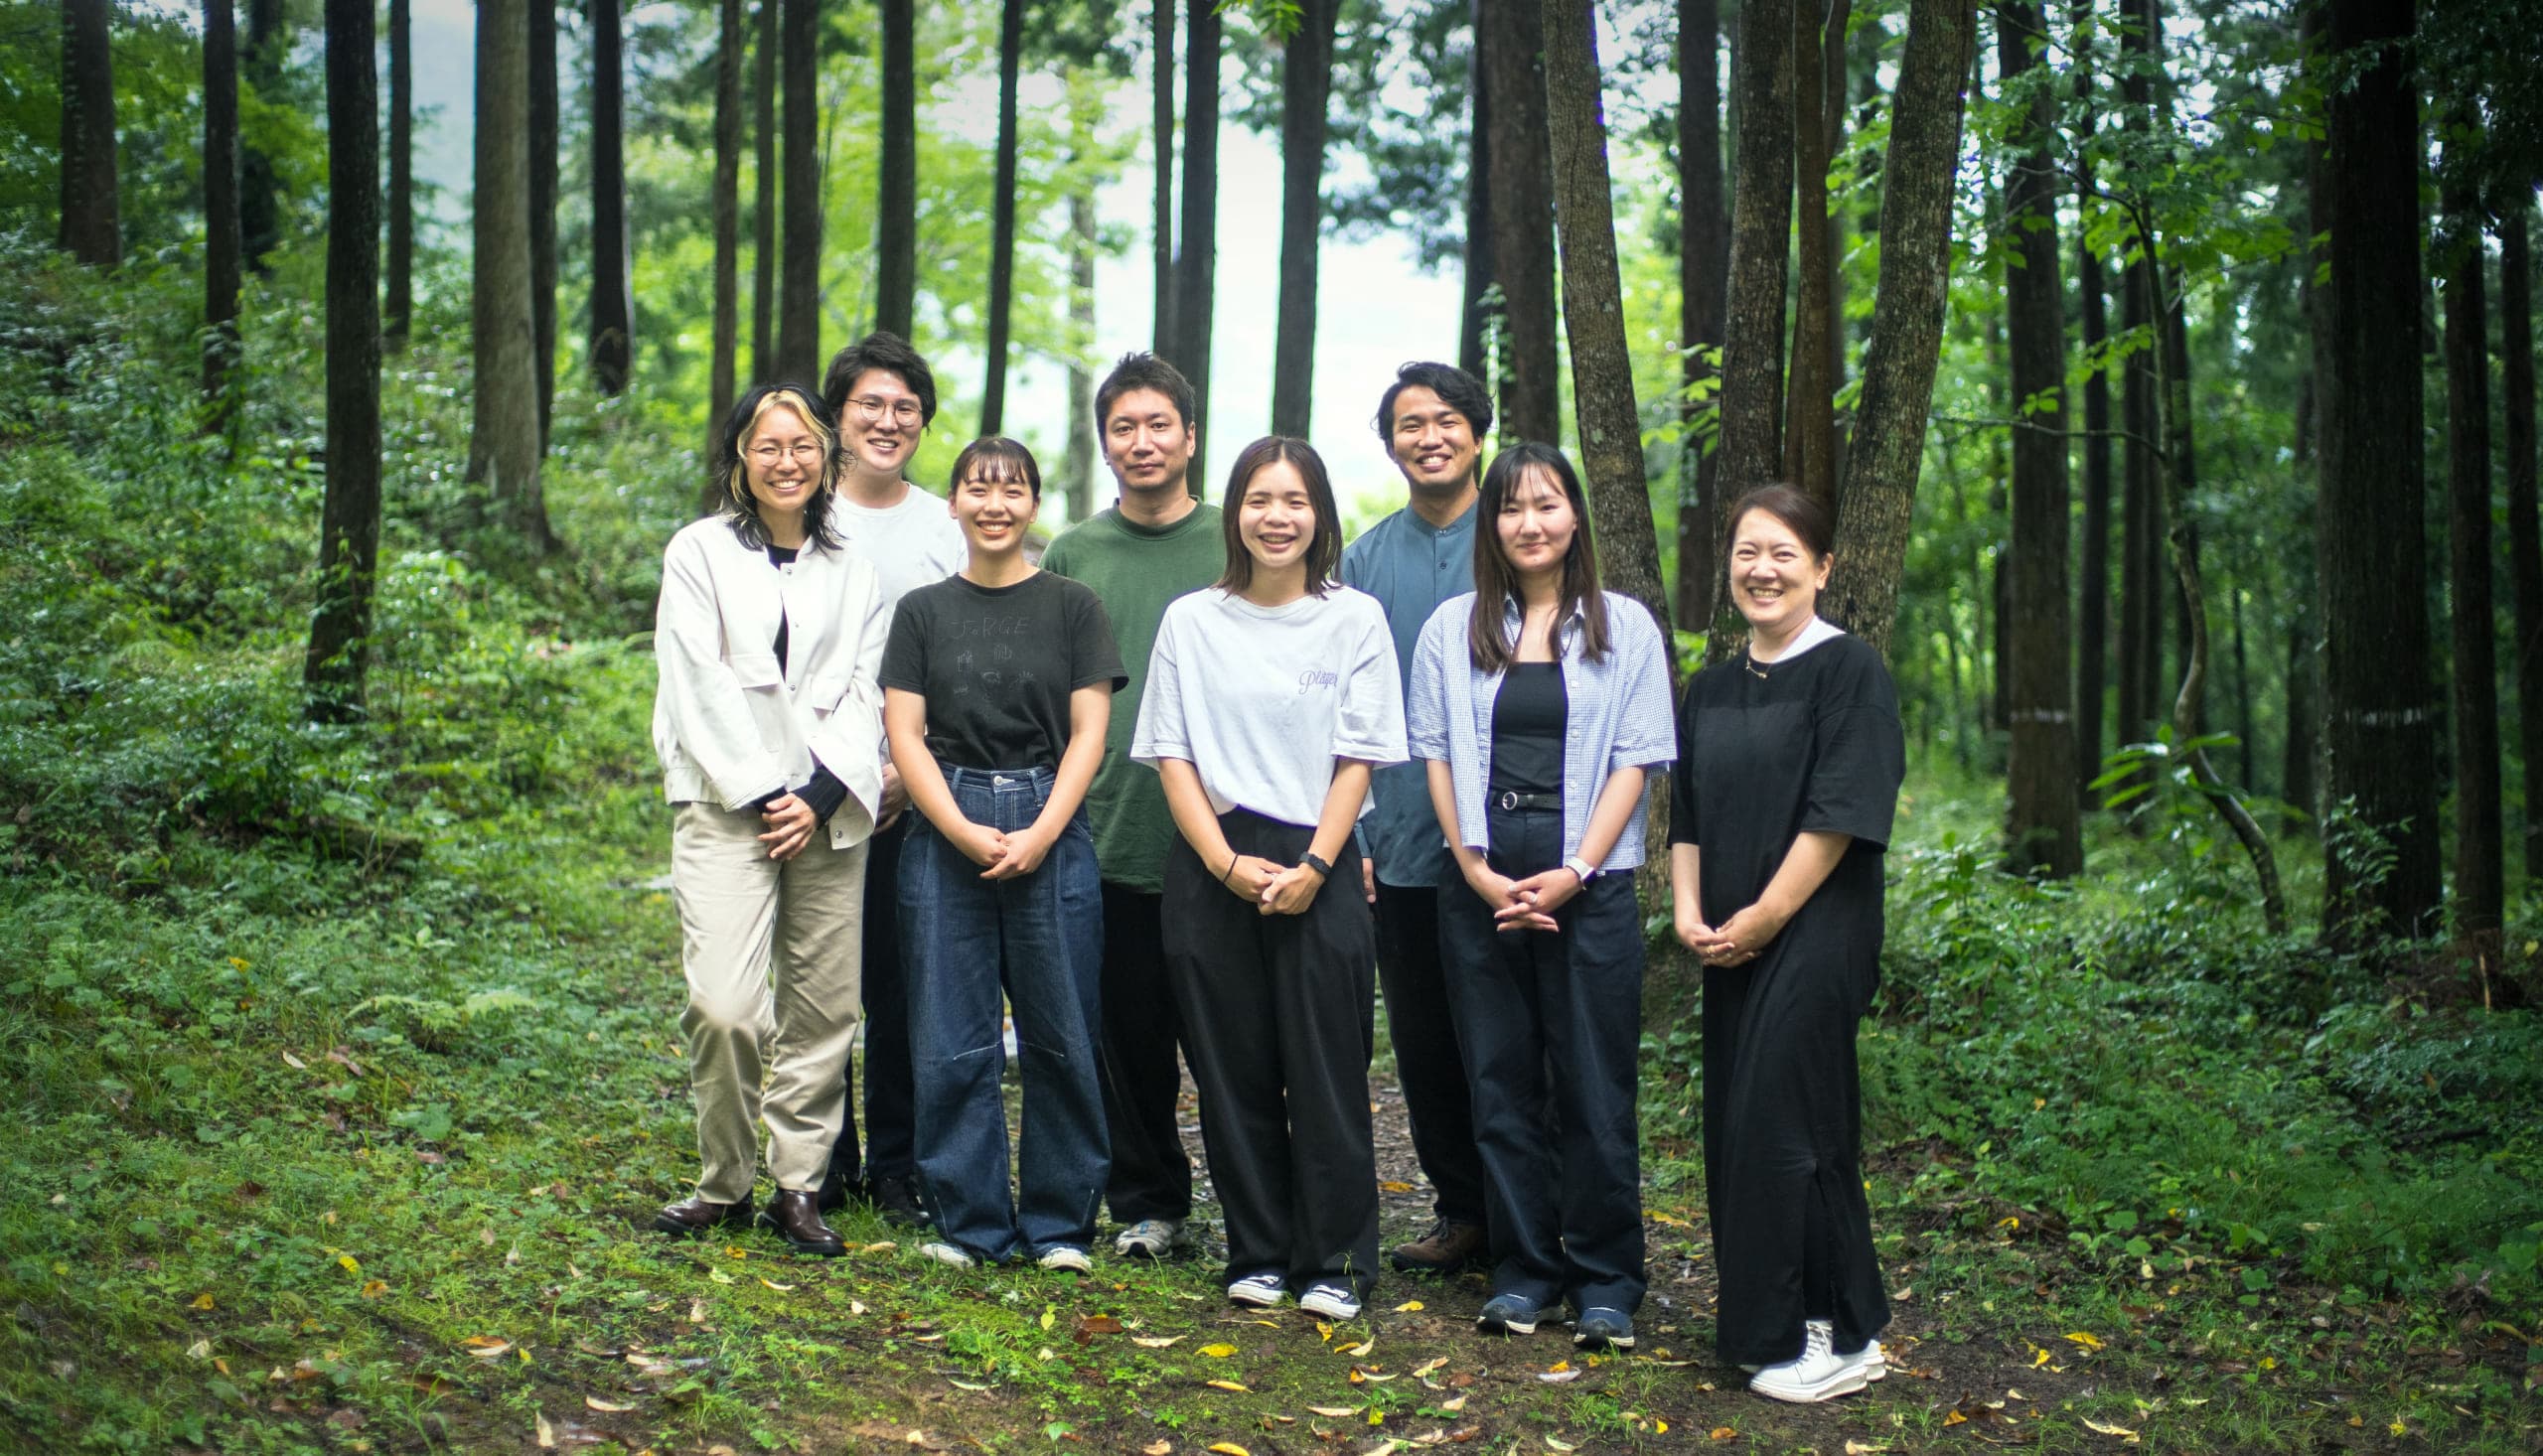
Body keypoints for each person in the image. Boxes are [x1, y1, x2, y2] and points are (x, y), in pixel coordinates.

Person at [1406, 441, 1677, 1351]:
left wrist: (1576, 870)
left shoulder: (1624, 624)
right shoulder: (1452, 627)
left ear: (1574, 517)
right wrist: (1476, 868)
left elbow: (1639, 757)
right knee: (1500, 1080)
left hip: (1586, 879)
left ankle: (1607, 1278)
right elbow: (1437, 754)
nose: (1530, 523)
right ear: (1492, 525)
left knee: (1594, 1083)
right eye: (1512, 509)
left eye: (1548, 505)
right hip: (1479, 873)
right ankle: (1526, 1271)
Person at [1130, 437, 1406, 1321]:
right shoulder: (1192, 619)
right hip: (1213, 856)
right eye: (1258, 499)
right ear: (1234, 511)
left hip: (1319, 849)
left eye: (1294, 501)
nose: (1276, 517)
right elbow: (1170, 751)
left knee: (1324, 1066)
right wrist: (1223, 862)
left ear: (1318, 513)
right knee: (1229, 1067)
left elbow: (1359, 755)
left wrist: (1320, 864)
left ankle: (1335, 1259)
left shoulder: (1354, 617)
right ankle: (1257, 1248)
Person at [1669, 485, 1904, 1403]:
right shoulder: (1713, 685)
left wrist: (1766, 917)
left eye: (1784, 554)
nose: (1762, 570)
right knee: (1738, 1127)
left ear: (1823, 568)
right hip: (1727, 937)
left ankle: (1842, 1335)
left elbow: (1840, 813)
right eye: (1746, 553)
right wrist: (1690, 912)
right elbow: (1685, 813)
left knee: (1794, 1127)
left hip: (1817, 932)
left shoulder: (1852, 672)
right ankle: (1770, 1325)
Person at [651, 382, 890, 1258]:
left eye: (803, 446)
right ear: (740, 460)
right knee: (725, 1007)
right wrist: (763, 793)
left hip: (827, 813)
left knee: (824, 1008)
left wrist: (821, 794)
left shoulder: (854, 568)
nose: (786, 461)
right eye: (767, 446)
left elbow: (867, 690)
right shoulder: (699, 553)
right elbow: (696, 682)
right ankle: (724, 1183)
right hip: (726, 808)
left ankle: (798, 1187)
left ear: (827, 457)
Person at [883, 437, 1125, 1270]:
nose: (995, 504)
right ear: (951, 504)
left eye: (1012, 489)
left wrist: (1043, 830)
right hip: (943, 822)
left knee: (1062, 1030)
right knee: (952, 1034)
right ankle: (971, 1223)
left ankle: (1060, 1225)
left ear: (1032, 505)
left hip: (1048, 815)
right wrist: (955, 825)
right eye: (978, 490)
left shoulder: (1073, 605)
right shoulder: (921, 610)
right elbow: (904, 733)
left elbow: (1091, 730)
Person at [1041, 354, 1224, 1262]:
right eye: (1124, 427)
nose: (1142, 442)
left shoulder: (1243, 537)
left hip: (1228, 837)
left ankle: (1262, 1204)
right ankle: (1150, 1202)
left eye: (1159, 425)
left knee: (1233, 1039)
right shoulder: (1075, 553)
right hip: (1109, 829)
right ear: (1105, 442)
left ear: (1190, 436)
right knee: (1129, 1037)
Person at [1342, 362, 1497, 1276]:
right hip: (1397, 840)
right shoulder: (1365, 560)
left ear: (1477, 432)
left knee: (1512, 1033)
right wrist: (1355, 830)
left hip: (1513, 840)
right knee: (1427, 1035)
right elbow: (1349, 710)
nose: (1429, 436)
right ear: (1391, 443)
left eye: (1445, 420)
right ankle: (1462, 1210)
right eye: (1410, 424)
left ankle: (1529, 1210)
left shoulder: (1519, 534)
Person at [816, 332, 967, 1230]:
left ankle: (899, 1166)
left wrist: (914, 774)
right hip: (818, 791)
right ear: (837, 416)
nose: (887, 420)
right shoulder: (801, 511)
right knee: (822, 978)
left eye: (905, 408)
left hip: (916, 793)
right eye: (870, 404)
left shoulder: (944, 525)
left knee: (907, 986)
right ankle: (823, 1156)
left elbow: (962, 656)